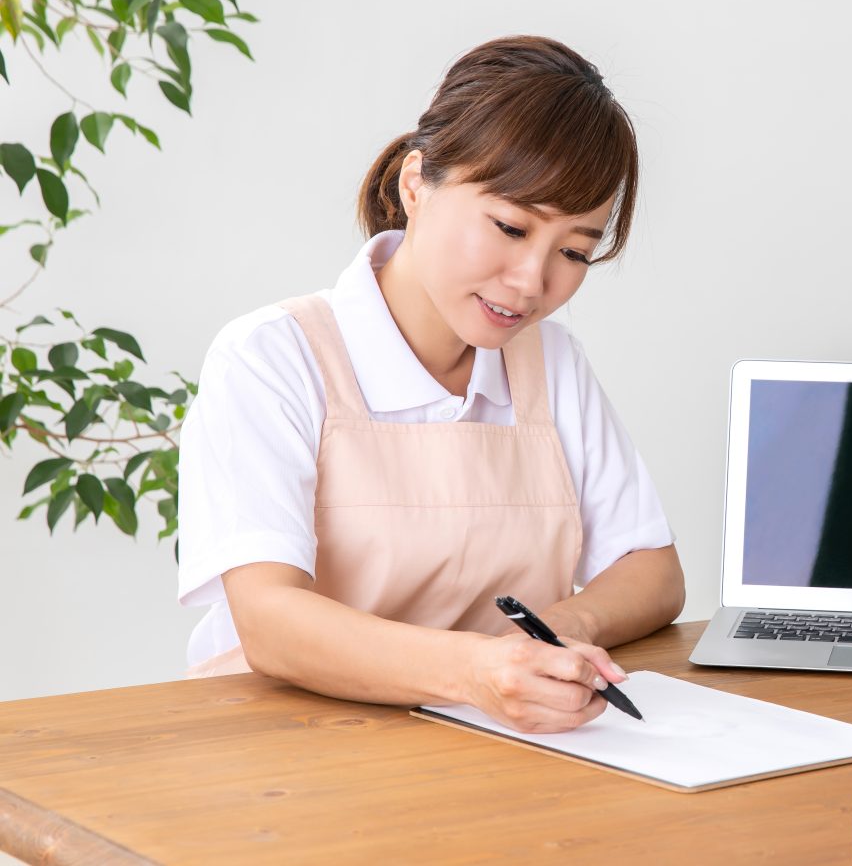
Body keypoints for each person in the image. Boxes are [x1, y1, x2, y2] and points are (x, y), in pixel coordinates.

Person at [176, 36, 685, 734]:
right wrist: (477, 670)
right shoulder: (271, 357)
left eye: (573, 251)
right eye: (510, 227)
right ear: (415, 184)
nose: (532, 282)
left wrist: (557, 631)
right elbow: (270, 621)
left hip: (482, 745)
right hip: (282, 746)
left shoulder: (551, 362)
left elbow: (652, 570)